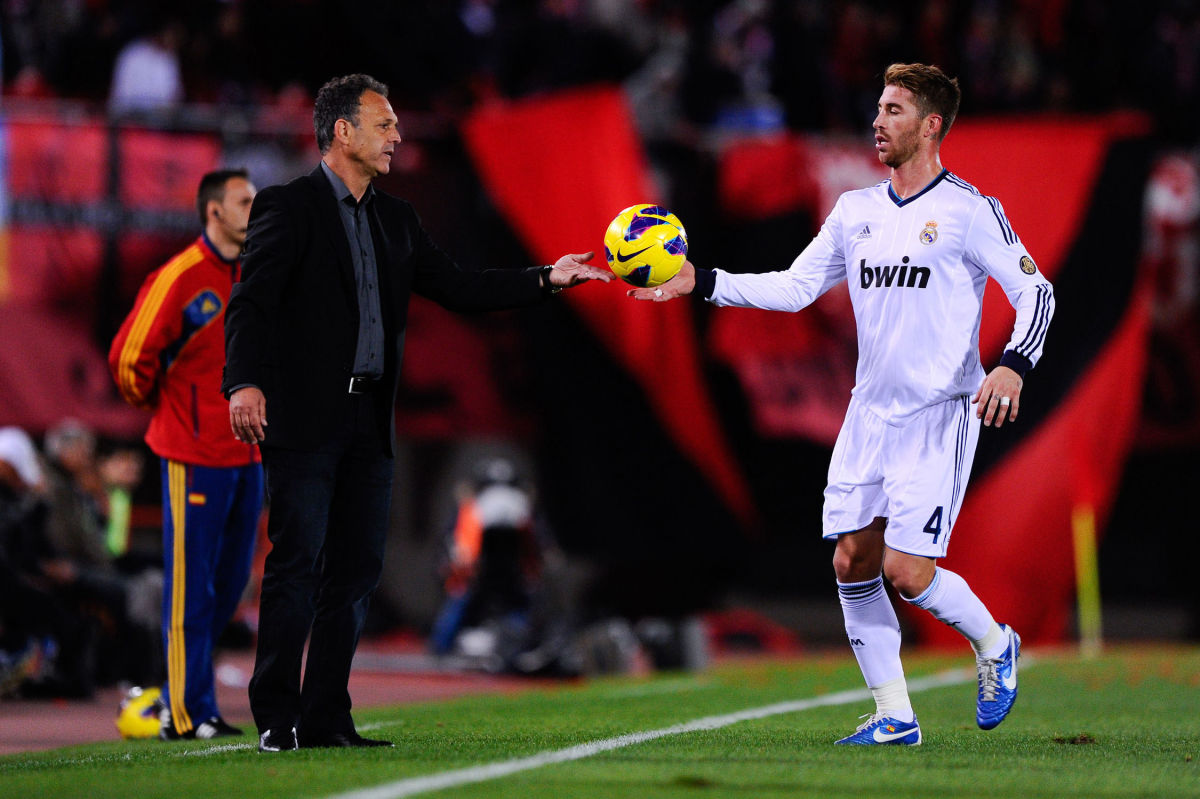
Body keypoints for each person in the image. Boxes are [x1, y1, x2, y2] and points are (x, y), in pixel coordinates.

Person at [630, 63, 1055, 745]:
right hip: (868, 415)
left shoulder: (970, 211)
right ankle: (895, 715)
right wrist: (699, 279)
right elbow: (794, 287)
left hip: (938, 414)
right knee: (851, 561)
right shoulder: (855, 211)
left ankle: (994, 642)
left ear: (932, 125)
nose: (878, 122)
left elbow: (1037, 291)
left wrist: (1013, 364)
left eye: (894, 111)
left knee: (906, 571)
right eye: (878, 108)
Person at [222, 73, 611, 752]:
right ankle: (277, 716)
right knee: (297, 563)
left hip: (369, 421)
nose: (398, 136)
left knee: (355, 572)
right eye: (385, 124)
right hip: (305, 418)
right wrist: (245, 382)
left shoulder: (397, 219)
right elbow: (252, 301)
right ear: (343, 131)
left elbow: (459, 286)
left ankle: (326, 716)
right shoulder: (288, 205)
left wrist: (547, 277)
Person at [109, 169, 263, 740]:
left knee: (230, 584)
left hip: (247, 453)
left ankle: (186, 697)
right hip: (192, 453)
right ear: (214, 212)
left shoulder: (257, 271)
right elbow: (128, 358)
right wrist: (171, 410)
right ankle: (185, 713)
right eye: (244, 200)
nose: (254, 208)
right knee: (190, 587)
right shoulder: (179, 276)